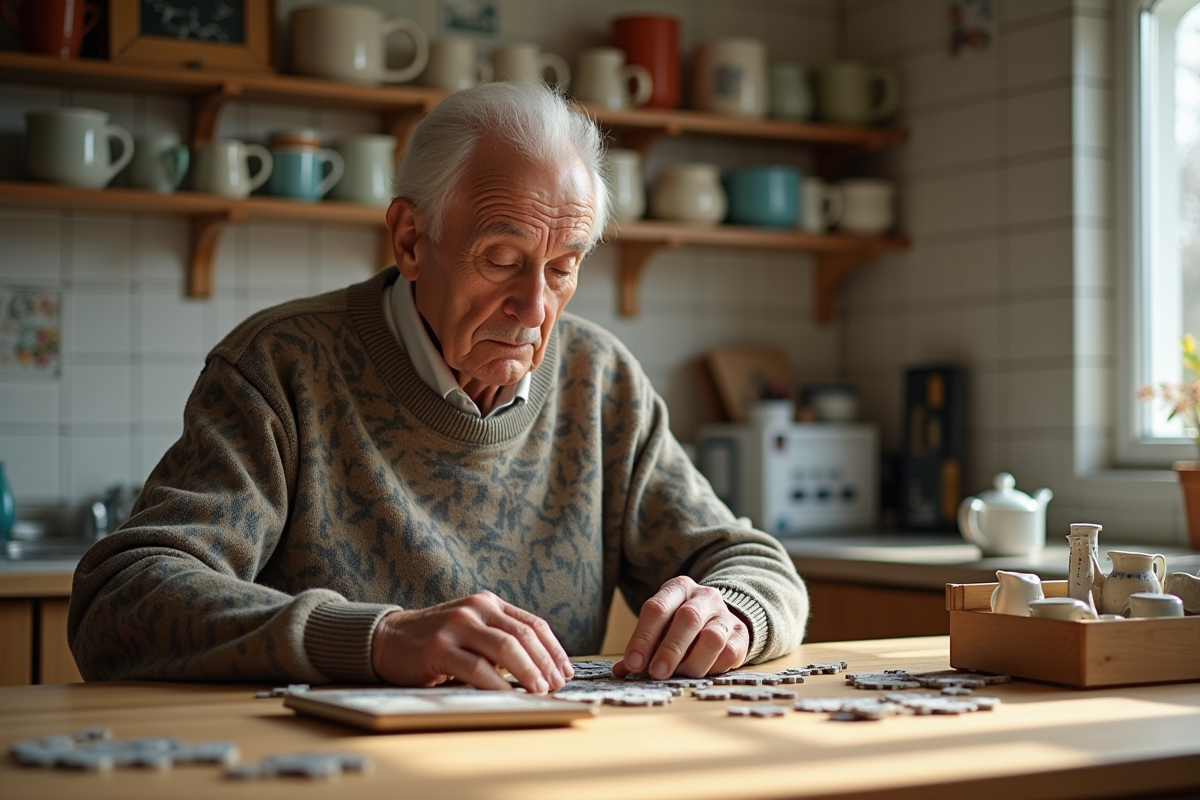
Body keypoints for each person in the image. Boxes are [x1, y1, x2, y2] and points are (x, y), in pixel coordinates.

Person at [68, 82, 808, 692]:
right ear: (411, 240)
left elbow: (755, 564)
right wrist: (375, 639)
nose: (535, 308)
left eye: (563, 268)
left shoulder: (600, 380)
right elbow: (122, 599)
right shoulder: (281, 366)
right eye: (501, 259)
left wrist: (730, 613)